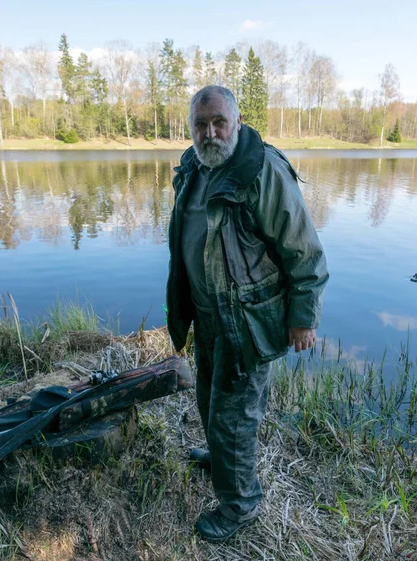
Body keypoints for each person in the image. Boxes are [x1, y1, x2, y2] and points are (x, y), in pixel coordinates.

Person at [166, 85, 328, 543]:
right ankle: (221, 461)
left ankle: (239, 507)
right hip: (206, 313)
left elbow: (306, 253)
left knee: (234, 417)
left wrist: (304, 317)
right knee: (207, 399)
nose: (211, 133)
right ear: (192, 127)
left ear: (237, 122)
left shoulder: (263, 169)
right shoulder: (192, 166)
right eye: (201, 125)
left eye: (219, 122)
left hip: (247, 321)